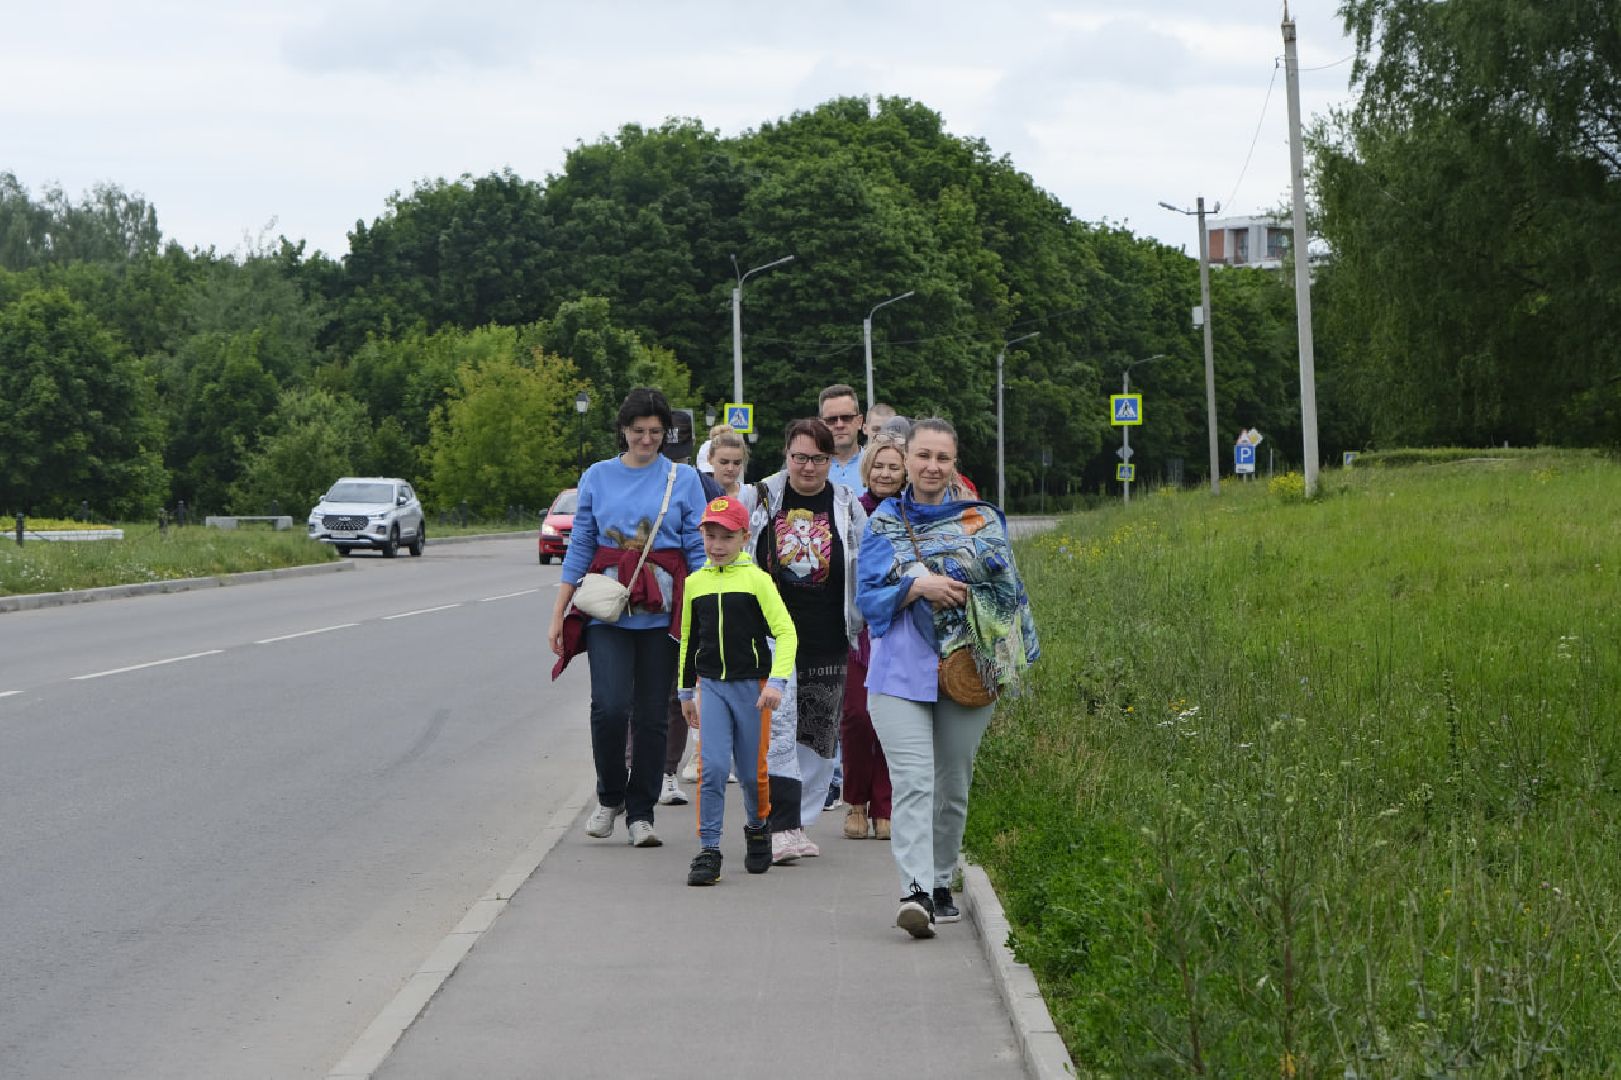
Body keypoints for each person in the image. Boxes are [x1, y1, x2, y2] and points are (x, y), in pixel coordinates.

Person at [856, 417, 1040, 938]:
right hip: (899, 674)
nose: (932, 466)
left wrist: (1007, 655)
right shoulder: (884, 524)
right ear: (906, 459)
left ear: (954, 463)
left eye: (942, 457)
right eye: (923, 456)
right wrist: (917, 590)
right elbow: (866, 600)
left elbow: (1012, 596)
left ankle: (941, 879)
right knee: (914, 782)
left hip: (969, 668)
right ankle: (914, 891)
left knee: (952, 784)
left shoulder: (980, 521)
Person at [549, 388, 707, 849]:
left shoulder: (684, 479)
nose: (647, 440)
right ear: (623, 430)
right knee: (610, 708)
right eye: (638, 431)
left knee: (655, 715)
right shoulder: (598, 475)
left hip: (663, 614)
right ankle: (610, 796)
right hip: (608, 611)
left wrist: (701, 610)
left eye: (656, 432)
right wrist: (559, 611)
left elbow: (697, 549)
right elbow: (580, 545)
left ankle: (642, 812)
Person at [750, 418, 867, 864]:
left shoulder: (844, 502)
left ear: (830, 461)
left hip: (828, 632)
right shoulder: (762, 495)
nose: (808, 467)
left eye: (819, 459)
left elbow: (863, 552)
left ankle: (799, 822)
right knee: (779, 731)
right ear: (786, 455)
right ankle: (780, 824)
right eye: (800, 457)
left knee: (819, 737)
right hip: (774, 633)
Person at [677, 496, 798, 885]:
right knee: (711, 769)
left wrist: (777, 682)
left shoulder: (758, 581)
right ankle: (709, 850)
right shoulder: (695, 583)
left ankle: (758, 826)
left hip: (754, 689)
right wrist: (684, 693)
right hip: (710, 687)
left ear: (744, 537)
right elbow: (686, 640)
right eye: (710, 535)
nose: (717, 544)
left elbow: (785, 631)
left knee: (751, 774)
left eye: (726, 536)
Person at [840, 430, 906, 842]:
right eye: (878, 466)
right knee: (858, 718)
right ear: (867, 469)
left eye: (893, 467)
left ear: (905, 473)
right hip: (858, 627)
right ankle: (855, 803)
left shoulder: (911, 512)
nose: (884, 473)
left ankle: (886, 805)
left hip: (901, 628)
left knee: (893, 720)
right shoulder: (850, 509)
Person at [652, 408, 720, 808]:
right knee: (632, 692)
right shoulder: (638, 477)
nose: (674, 457)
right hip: (641, 591)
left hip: (685, 592)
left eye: (680, 449)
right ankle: (633, 767)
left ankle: (666, 772)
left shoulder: (698, 482)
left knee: (678, 689)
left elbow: (715, 539)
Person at [818, 383, 866, 496]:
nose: (839, 425)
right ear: (821, 425)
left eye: (846, 418)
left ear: (859, 422)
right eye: (831, 419)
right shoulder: (808, 469)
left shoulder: (877, 466)